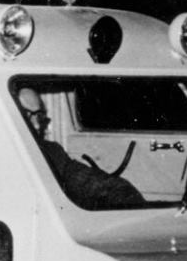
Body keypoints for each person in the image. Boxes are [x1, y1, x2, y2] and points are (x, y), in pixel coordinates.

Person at [15, 85, 145, 211]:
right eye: (27, 115)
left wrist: (124, 196)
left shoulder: (52, 152)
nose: (37, 125)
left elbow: (89, 181)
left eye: (39, 115)